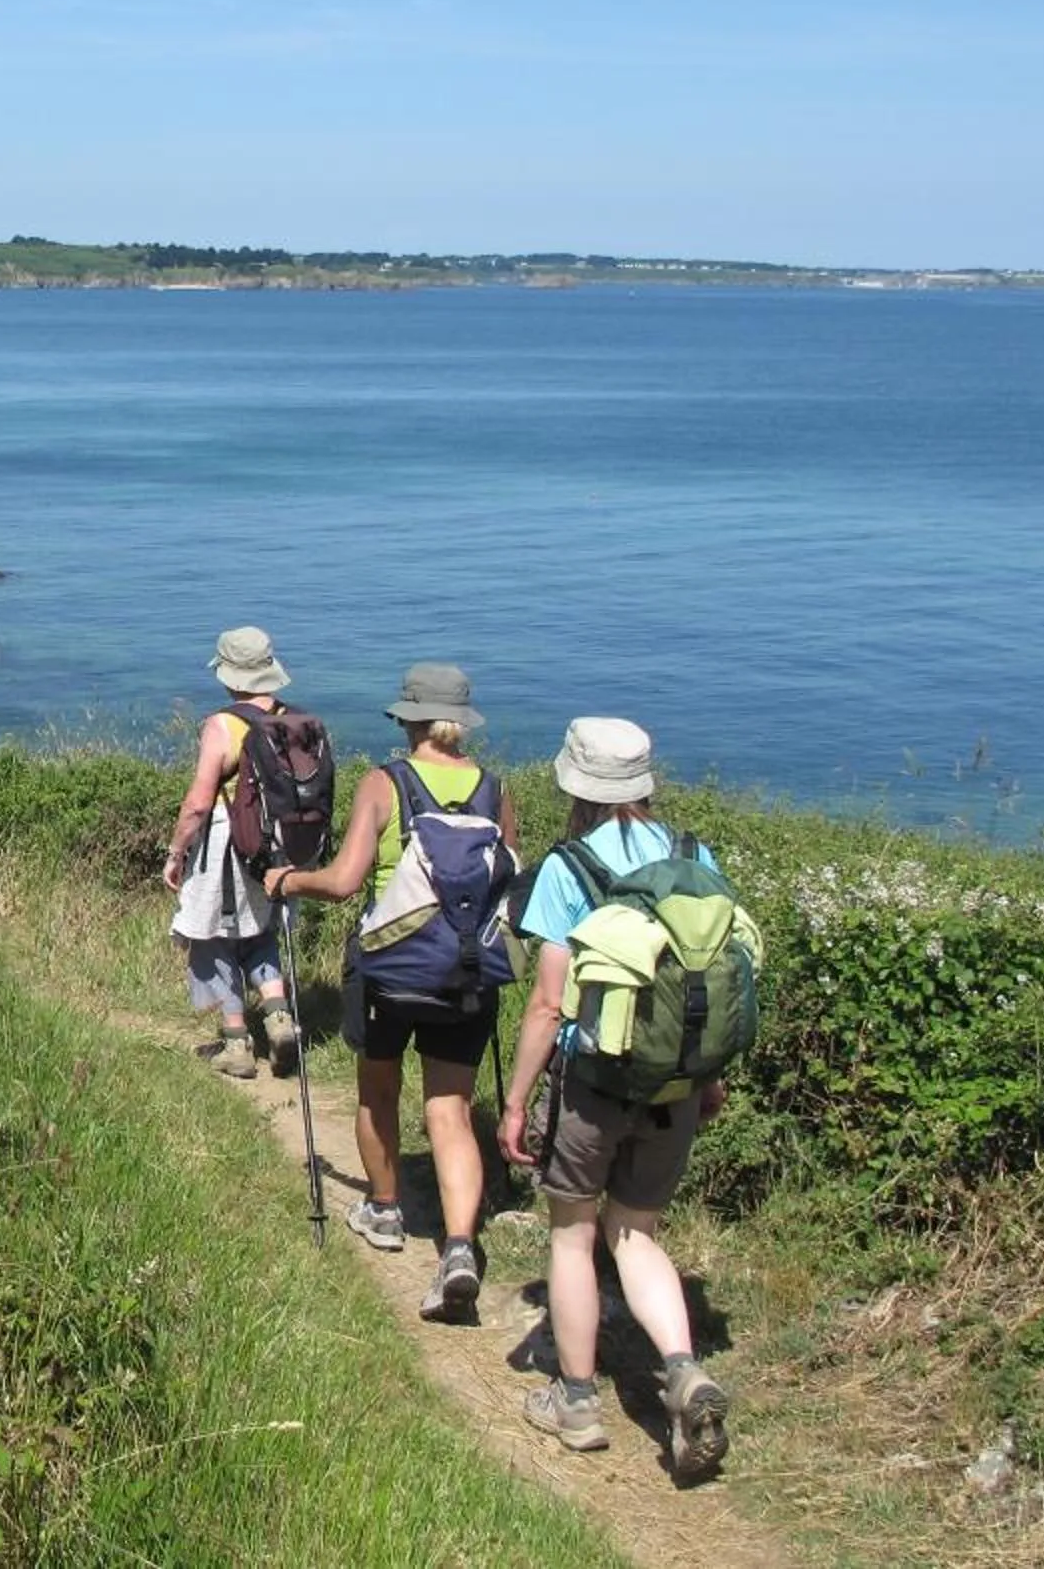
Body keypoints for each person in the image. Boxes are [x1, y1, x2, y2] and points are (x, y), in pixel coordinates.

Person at [494, 716, 732, 1479]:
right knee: (635, 1234)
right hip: (678, 1083)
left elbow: (546, 1004)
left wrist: (515, 1101)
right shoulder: (694, 857)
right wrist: (711, 1076)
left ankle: (576, 1400)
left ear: (575, 786)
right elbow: (705, 982)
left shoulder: (570, 866)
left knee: (572, 1234)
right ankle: (684, 1369)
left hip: (594, 1083)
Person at [272, 662, 512, 1322]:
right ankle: (459, 1248)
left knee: (379, 1090)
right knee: (451, 1110)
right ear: (461, 724)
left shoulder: (386, 783)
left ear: (408, 718)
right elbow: (503, 882)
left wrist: (290, 881)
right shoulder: (494, 790)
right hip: (466, 968)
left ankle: (383, 1208)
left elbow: (347, 881)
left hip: (392, 966)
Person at [160, 627, 302, 1081]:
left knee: (212, 938)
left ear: (229, 675)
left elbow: (199, 802)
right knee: (260, 932)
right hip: (279, 846)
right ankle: (279, 1019)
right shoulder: (293, 719)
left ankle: (238, 1043)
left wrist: (176, 851)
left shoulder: (224, 724)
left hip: (228, 845)